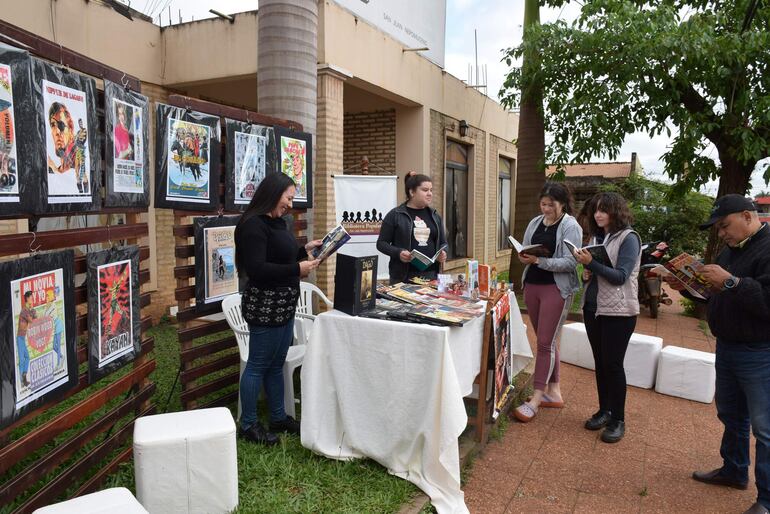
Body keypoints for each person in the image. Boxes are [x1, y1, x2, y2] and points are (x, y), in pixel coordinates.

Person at [668, 195, 770, 514]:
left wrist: (731, 281)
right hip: (727, 345)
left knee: (765, 427)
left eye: (724, 226)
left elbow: (764, 301)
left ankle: (767, 500)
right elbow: (719, 295)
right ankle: (734, 470)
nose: (722, 234)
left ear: (747, 216)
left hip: (759, 351)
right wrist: (685, 285)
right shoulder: (732, 249)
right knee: (731, 415)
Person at [234, 172, 322, 445]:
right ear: (273, 193)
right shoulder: (252, 226)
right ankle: (248, 425)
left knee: (275, 364)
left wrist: (303, 250)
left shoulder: (278, 222)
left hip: (285, 305)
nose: (291, 204)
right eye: (289, 197)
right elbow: (257, 269)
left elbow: (280, 255)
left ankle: (278, 417)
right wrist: (298, 268)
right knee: (258, 365)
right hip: (265, 307)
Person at [571, 192, 641, 443]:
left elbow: (621, 276)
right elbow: (599, 274)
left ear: (616, 211)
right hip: (593, 308)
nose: (598, 214)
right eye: (596, 210)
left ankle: (618, 420)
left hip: (619, 313)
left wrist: (591, 264)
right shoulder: (601, 237)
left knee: (613, 365)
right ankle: (604, 410)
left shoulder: (629, 238)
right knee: (600, 364)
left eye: (604, 210)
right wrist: (586, 273)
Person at [513, 182, 583, 423]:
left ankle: (536, 397)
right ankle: (554, 392)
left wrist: (539, 262)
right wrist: (525, 257)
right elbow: (525, 250)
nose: (546, 209)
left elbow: (571, 262)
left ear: (562, 203)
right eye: (543, 204)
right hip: (533, 286)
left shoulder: (571, 226)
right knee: (548, 342)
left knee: (544, 343)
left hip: (556, 288)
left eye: (550, 205)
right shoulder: (535, 222)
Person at [377, 172, 448, 285]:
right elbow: (381, 243)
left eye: (431, 190)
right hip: (403, 277)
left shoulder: (435, 216)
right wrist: (398, 252)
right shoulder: (395, 215)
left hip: (431, 276)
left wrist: (443, 252)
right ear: (412, 192)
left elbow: (443, 243)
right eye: (425, 190)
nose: (430, 193)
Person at [16, 291, 36, 387]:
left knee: (26, 357)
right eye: (31, 297)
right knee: (22, 359)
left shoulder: (27, 310)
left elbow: (34, 317)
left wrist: (32, 310)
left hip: (22, 338)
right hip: (20, 338)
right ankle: (21, 381)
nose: (32, 299)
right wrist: (32, 310)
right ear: (27, 298)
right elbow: (31, 320)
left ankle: (23, 378)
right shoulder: (24, 310)